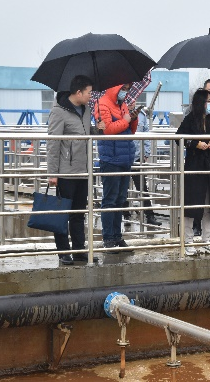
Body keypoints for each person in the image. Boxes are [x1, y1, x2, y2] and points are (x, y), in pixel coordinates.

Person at [47, 75, 99, 265]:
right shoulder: (59, 112)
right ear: (78, 92)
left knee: (78, 213)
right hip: (66, 172)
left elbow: (84, 133)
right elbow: (53, 143)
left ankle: (79, 250)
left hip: (83, 171)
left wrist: (96, 130)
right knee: (62, 213)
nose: (91, 96)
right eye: (89, 92)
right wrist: (53, 173)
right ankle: (63, 252)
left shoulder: (86, 110)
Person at [95, 83, 140, 251]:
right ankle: (108, 237)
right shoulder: (102, 104)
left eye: (128, 89)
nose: (125, 92)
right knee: (110, 199)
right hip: (111, 158)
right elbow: (107, 130)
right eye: (124, 88)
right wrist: (126, 120)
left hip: (124, 158)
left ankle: (117, 236)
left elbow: (131, 131)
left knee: (120, 199)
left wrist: (133, 118)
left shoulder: (123, 105)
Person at [176, 88, 210, 256]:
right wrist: (196, 143)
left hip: (208, 166)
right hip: (194, 166)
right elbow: (179, 138)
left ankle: (206, 239)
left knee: (208, 205)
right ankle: (188, 241)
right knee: (191, 205)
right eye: (207, 101)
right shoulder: (190, 119)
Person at [122, 108, 162, 226]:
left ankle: (149, 215)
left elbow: (146, 134)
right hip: (123, 155)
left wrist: (146, 153)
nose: (133, 102)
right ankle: (126, 215)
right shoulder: (121, 112)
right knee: (123, 187)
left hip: (137, 156)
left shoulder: (142, 115)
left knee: (142, 187)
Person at [192, 78, 210, 236]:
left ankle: (208, 235)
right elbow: (183, 136)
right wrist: (196, 143)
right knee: (196, 198)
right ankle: (193, 230)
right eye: (209, 92)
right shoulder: (192, 113)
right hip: (196, 163)